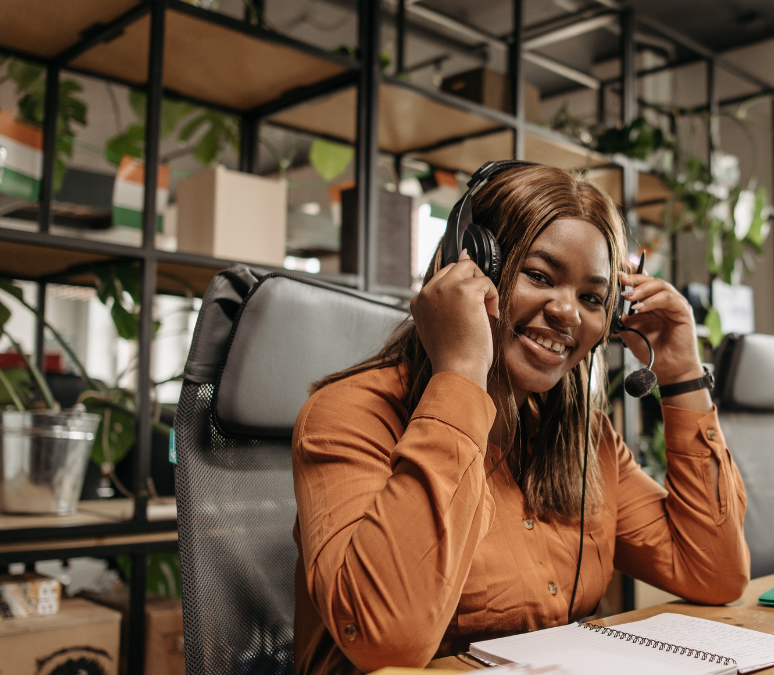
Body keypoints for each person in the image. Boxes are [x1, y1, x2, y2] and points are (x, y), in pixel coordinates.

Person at [291, 164, 750, 674]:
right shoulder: (350, 415)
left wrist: (682, 372)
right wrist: (462, 373)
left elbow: (716, 573)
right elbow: (387, 642)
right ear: (465, 268)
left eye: (592, 298)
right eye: (539, 276)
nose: (568, 313)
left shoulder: (587, 440)